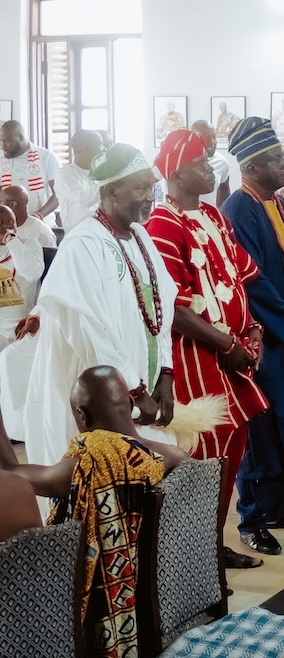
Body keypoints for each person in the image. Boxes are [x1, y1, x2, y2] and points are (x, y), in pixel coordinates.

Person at [0, 365, 188, 658]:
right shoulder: (174, 457)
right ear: (129, 406)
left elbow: (10, 474)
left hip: (107, 613)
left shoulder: (91, 462)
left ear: (83, 417)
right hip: (168, 596)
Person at [146, 130, 269, 569]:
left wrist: (251, 329)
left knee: (228, 457)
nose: (209, 169)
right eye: (200, 163)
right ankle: (188, 558)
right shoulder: (162, 223)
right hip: (198, 360)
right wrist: (227, 343)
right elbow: (173, 308)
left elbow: (236, 280)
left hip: (232, 354)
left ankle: (210, 547)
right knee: (200, 459)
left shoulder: (215, 216)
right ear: (177, 173)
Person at [25, 144, 177, 469]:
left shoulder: (140, 237)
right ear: (110, 191)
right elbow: (91, 331)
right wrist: (133, 390)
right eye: (140, 187)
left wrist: (165, 373)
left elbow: (162, 311)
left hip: (143, 389)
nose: (150, 195)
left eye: (151, 186)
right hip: (105, 398)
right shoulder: (83, 244)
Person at [222, 118, 284, 555]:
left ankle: (282, 505)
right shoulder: (238, 209)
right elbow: (251, 280)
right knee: (263, 428)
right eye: (278, 158)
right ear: (253, 165)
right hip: (265, 337)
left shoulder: (278, 203)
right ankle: (254, 518)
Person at [0, 204, 44, 349]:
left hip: (18, 330)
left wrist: (10, 240)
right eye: (1, 222)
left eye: (11, 221)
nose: (8, 226)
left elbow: (32, 273)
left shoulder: (29, 245)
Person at [0, 120, 59, 221]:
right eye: (1, 141)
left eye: (7, 141)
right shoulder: (2, 160)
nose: (3, 146)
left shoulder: (46, 157)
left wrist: (38, 216)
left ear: (21, 138)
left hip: (42, 222)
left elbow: (59, 193)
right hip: (10, 222)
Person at [56, 129, 103, 234]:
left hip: (100, 234)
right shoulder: (65, 174)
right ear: (83, 147)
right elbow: (85, 200)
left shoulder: (99, 174)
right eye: (99, 145)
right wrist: (111, 180)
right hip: (79, 238)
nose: (103, 149)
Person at [190, 120, 232, 209]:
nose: (212, 142)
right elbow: (153, 179)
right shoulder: (178, 160)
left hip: (207, 219)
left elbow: (225, 195)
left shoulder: (221, 162)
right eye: (206, 138)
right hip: (179, 218)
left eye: (214, 137)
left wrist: (220, 219)